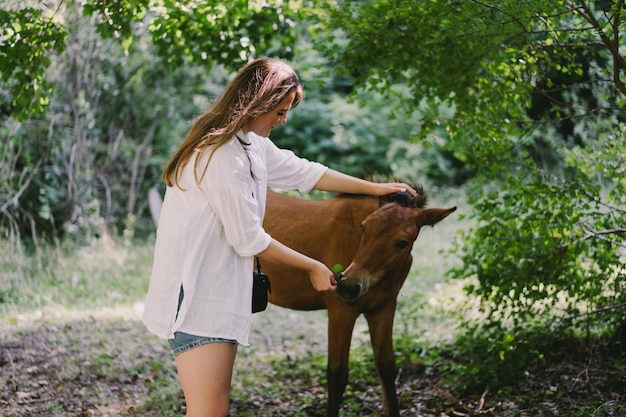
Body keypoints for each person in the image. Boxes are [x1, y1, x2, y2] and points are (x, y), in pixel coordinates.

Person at [142, 57, 416, 417]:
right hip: (195, 298)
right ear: (257, 102)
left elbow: (305, 172)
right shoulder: (221, 154)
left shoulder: (250, 143)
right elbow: (248, 238)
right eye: (280, 111)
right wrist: (313, 267)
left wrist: (376, 188)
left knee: (214, 409)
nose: (284, 119)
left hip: (219, 294)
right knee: (208, 411)